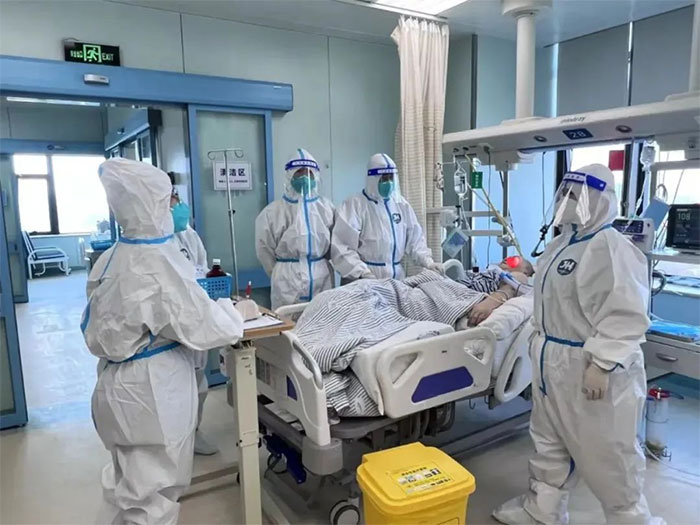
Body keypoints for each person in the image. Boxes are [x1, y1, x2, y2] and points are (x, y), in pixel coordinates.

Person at [493, 164, 662, 525]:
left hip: (588, 364)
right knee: (548, 441)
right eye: (565, 193)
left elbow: (626, 312)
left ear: (599, 199)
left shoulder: (611, 247)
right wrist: (522, 274)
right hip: (550, 361)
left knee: (607, 451)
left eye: (576, 195)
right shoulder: (560, 245)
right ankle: (543, 510)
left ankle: (630, 519)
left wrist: (602, 363)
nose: (567, 201)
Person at [81, 158, 245, 524]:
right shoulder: (156, 262)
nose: (175, 205)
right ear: (151, 202)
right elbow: (209, 327)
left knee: (130, 486)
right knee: (152, 501)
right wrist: (234, 312)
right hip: (151, 392)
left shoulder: (112, 257)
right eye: (169, 198)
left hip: (116, 382)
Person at [331, 153, 442, 283]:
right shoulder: (355, 205)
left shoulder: (401, 205)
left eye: (391, 178)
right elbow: (343, 247)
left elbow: (415, 239)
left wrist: (428, 262)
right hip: (365, 279)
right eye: (384, 178)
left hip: (397, 278)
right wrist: (362, 273)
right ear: (372, 179)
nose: (388, 183)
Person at [167, 173, 218, 456]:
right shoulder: (151, 244)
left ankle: (194, 432)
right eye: (171, 201)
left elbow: (203, 267)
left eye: (177, 199)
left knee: (198, 382)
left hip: (195, 314)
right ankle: (173, 439)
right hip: (169, 324)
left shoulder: (189, 235)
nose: (178, 206)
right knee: (173, 385)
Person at [255, 148, 335, 309]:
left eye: (309, 173)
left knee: (322, 318)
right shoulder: (272, 212)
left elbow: (335, 245)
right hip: (287, 281)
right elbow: (264, 250)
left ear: (315, 176)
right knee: (287, 320)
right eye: (299, 173)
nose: (304, 177)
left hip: (321, 277)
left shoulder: (327, 208)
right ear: (289, 176)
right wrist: (281, 271)